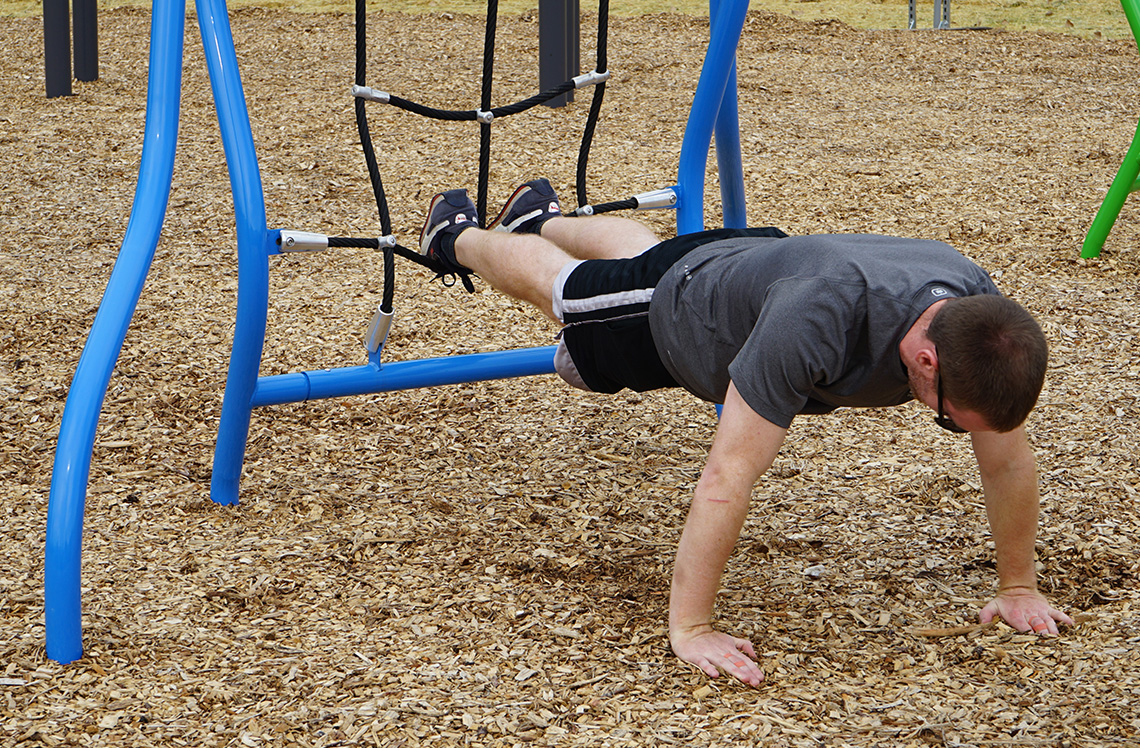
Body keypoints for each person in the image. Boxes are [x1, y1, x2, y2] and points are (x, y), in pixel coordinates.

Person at [418, 178, 1074, 687]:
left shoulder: (977, 316)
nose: (951, 429)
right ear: (925, 362)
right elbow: (727, 476)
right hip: (678, 305)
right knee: (566, 291)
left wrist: (1018, 585)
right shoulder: (817, 320)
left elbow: (1007, 463)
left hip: (760, 260)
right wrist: (692, 628)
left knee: (644, 252)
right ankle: (455, 238)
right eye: (944, 418)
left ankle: (542, 216)